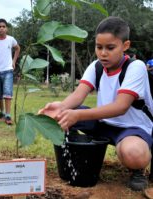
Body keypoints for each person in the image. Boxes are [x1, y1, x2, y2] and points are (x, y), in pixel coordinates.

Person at [39, 16, 153, 191]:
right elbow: (79, 95)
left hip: (133, 127)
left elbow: (120, 107)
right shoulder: (96, 66)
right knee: (59, 115)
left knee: (133, 153)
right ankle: (76, 155)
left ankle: (138, 169)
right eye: (99, 47)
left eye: (110, 48)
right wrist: (61, 107)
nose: (103, 53)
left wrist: (77, 114)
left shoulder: (135, 67)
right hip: (103, 123)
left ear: (126, 45)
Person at [0, 18, 20, 125]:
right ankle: (1, 112)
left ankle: (8, 115)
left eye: (3, 26)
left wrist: (14, 61)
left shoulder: (11, 40)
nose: (1, 28)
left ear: (7, 29)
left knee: (7, 92)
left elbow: (17, 48)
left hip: (8, 70)